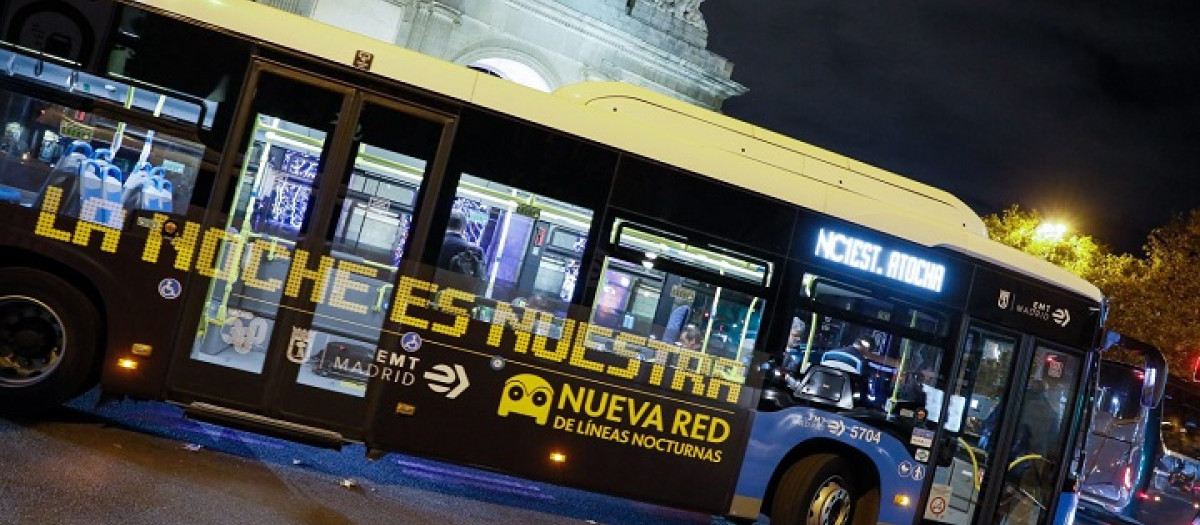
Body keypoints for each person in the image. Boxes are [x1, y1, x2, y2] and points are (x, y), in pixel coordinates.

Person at [436, 211, 486, 292]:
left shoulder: (429, 241)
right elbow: (480, 285)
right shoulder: (475, 251)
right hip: (454, 299)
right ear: (463, 229)